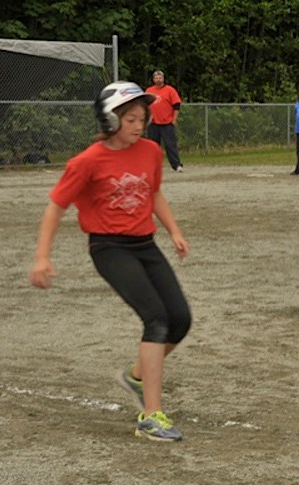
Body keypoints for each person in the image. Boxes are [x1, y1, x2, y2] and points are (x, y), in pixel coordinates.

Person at [29, 81, 192, 442]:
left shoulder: (150, 151)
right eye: (130, 118)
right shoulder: (87, 161)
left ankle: (135, 376)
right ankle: (151, 416)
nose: (139, 124)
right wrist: (42, 257)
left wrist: (174, 231)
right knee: (157, 319)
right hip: (109, 248)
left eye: (142, 117)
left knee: (180, 320)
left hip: (144, 244)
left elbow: (154, 193)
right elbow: (56, 206)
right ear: (108, 120)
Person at [145, 70, 184, 172]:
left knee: (170, 145)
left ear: (163, 79)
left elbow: (176, 105)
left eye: (160, 78)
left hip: (167, 123)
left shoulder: (170, 90)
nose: (158, 80)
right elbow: (145, 106)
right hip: (153, 123)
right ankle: (153, 166)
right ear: (153, 79)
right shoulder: (149, 91)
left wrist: (174, 119)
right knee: (153, 146)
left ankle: (176, 165)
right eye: (156, 78)